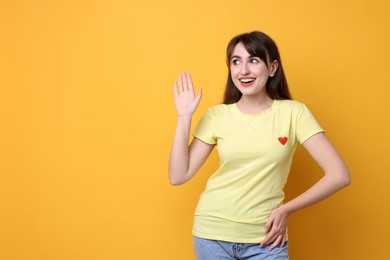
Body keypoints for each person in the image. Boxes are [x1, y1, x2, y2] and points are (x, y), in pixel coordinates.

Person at [168, 31, 350, 260]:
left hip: (266, 239)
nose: (243, 70)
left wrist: (285, 209)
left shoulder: (294, 113)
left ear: (272, 68)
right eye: (236, 62)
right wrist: (184, 117)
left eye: (253, 60)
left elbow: (339, 175)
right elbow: (178, 176)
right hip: (212, 235)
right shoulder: (217, 116)